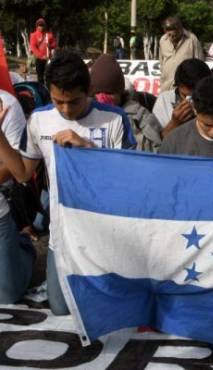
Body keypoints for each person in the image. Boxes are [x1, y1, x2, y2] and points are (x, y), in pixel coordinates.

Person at [0, 50, 136, 315]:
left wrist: (88, 150)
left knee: (105, 307)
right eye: (57, 101)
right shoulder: (39, 119)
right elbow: (23, 174)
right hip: (63, 233)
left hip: (106, 233)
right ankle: (29, 250)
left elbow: (127, 180)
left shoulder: (115, 119)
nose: (65, 109)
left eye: (73, 102)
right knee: (61, 309)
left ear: (89, 91)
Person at [153, 59, 213, 139]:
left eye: (197, 98)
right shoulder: (164, 100)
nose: (191, 102)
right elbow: (157, 143)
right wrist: (174, 123)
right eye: (184, 96)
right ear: (178, 87)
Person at [0, 89, 35, 304]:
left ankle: (23, 245)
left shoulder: (7, 104)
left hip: (5, 194)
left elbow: (17, 167)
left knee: (6, 295)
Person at [90, 54, 163, 152]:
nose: (104, 98)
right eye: (98, 93)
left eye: (109, 93)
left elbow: (156, 148)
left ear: (120, 93)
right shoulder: (86, 112)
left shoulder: (139, 115)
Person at [159, 16, 204, 92]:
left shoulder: (191, 39)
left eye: (173, 32)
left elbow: (199, 65)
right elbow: (161, 61)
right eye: (167, 31)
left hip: (186, 88)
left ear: (180, 29)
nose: (169, 35)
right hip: (166, 86)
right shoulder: (163, 40)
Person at [30, 18, 56, 85]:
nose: (41, 27)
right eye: (39, 25)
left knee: (49, 75)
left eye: (42, 25)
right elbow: (33, 47)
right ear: (36, 26)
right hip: (39, 59)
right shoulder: (33, 35)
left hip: (49, 59)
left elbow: (54, 44)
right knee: (40, 76)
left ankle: (49, 90)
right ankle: (41, 90)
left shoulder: (49, 34)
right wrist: (41, 56)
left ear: (45, 26)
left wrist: (50, 45)